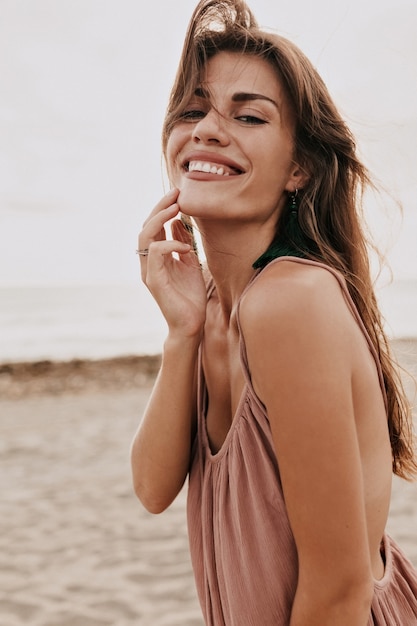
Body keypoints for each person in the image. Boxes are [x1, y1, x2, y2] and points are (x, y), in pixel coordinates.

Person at [130, 1, 417, 623]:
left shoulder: (291, 301)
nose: (206, 128)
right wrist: (182, 331)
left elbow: (338, 590)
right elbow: (153, 489)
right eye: (193, 108)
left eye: (249, 115)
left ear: (299, 168)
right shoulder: (214, 308)